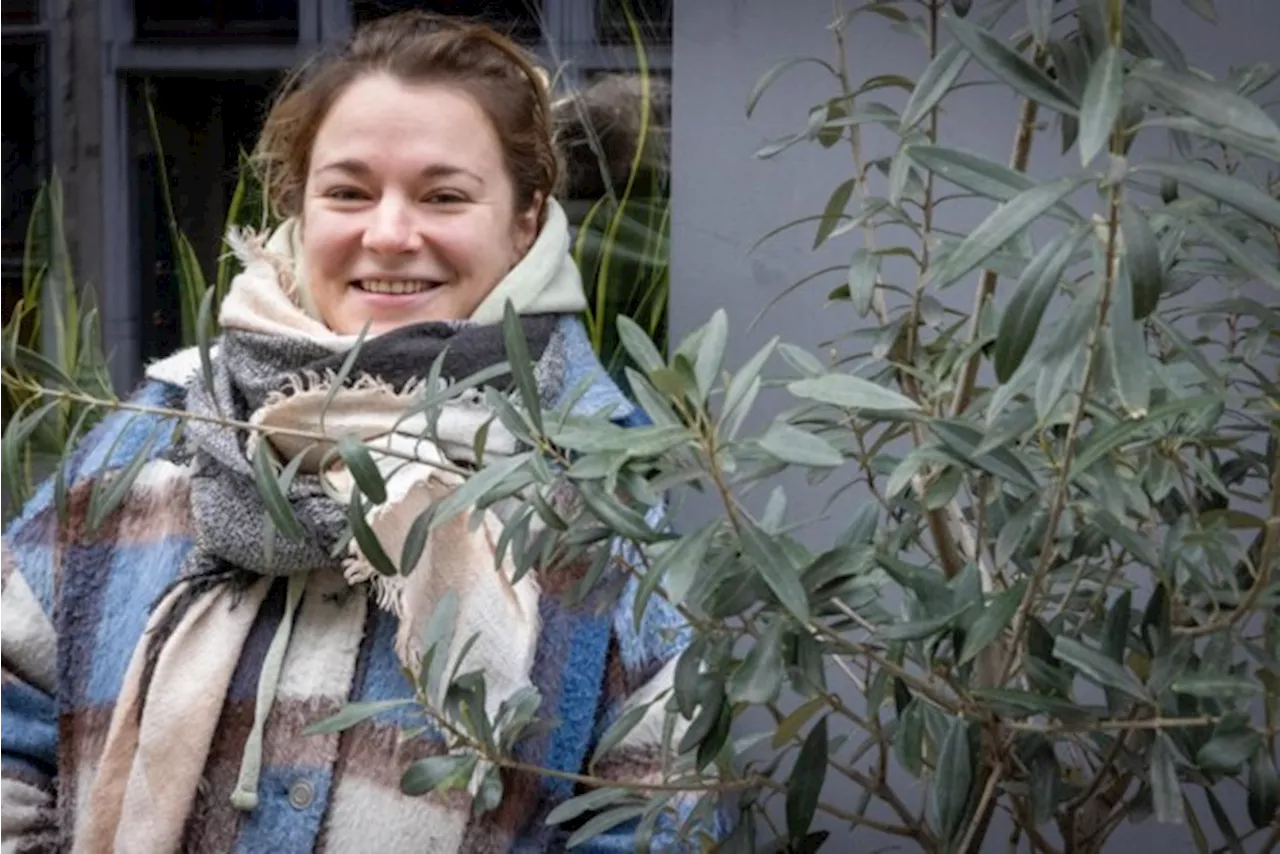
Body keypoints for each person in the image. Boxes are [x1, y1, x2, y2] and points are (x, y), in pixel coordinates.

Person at [0, 12, 724, 852]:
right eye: (347, 191)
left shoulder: (596, 491)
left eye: (443, 195)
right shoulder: (160, 434)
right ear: (297, 207)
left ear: (526, 220)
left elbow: (663, 812)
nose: (389, 234)